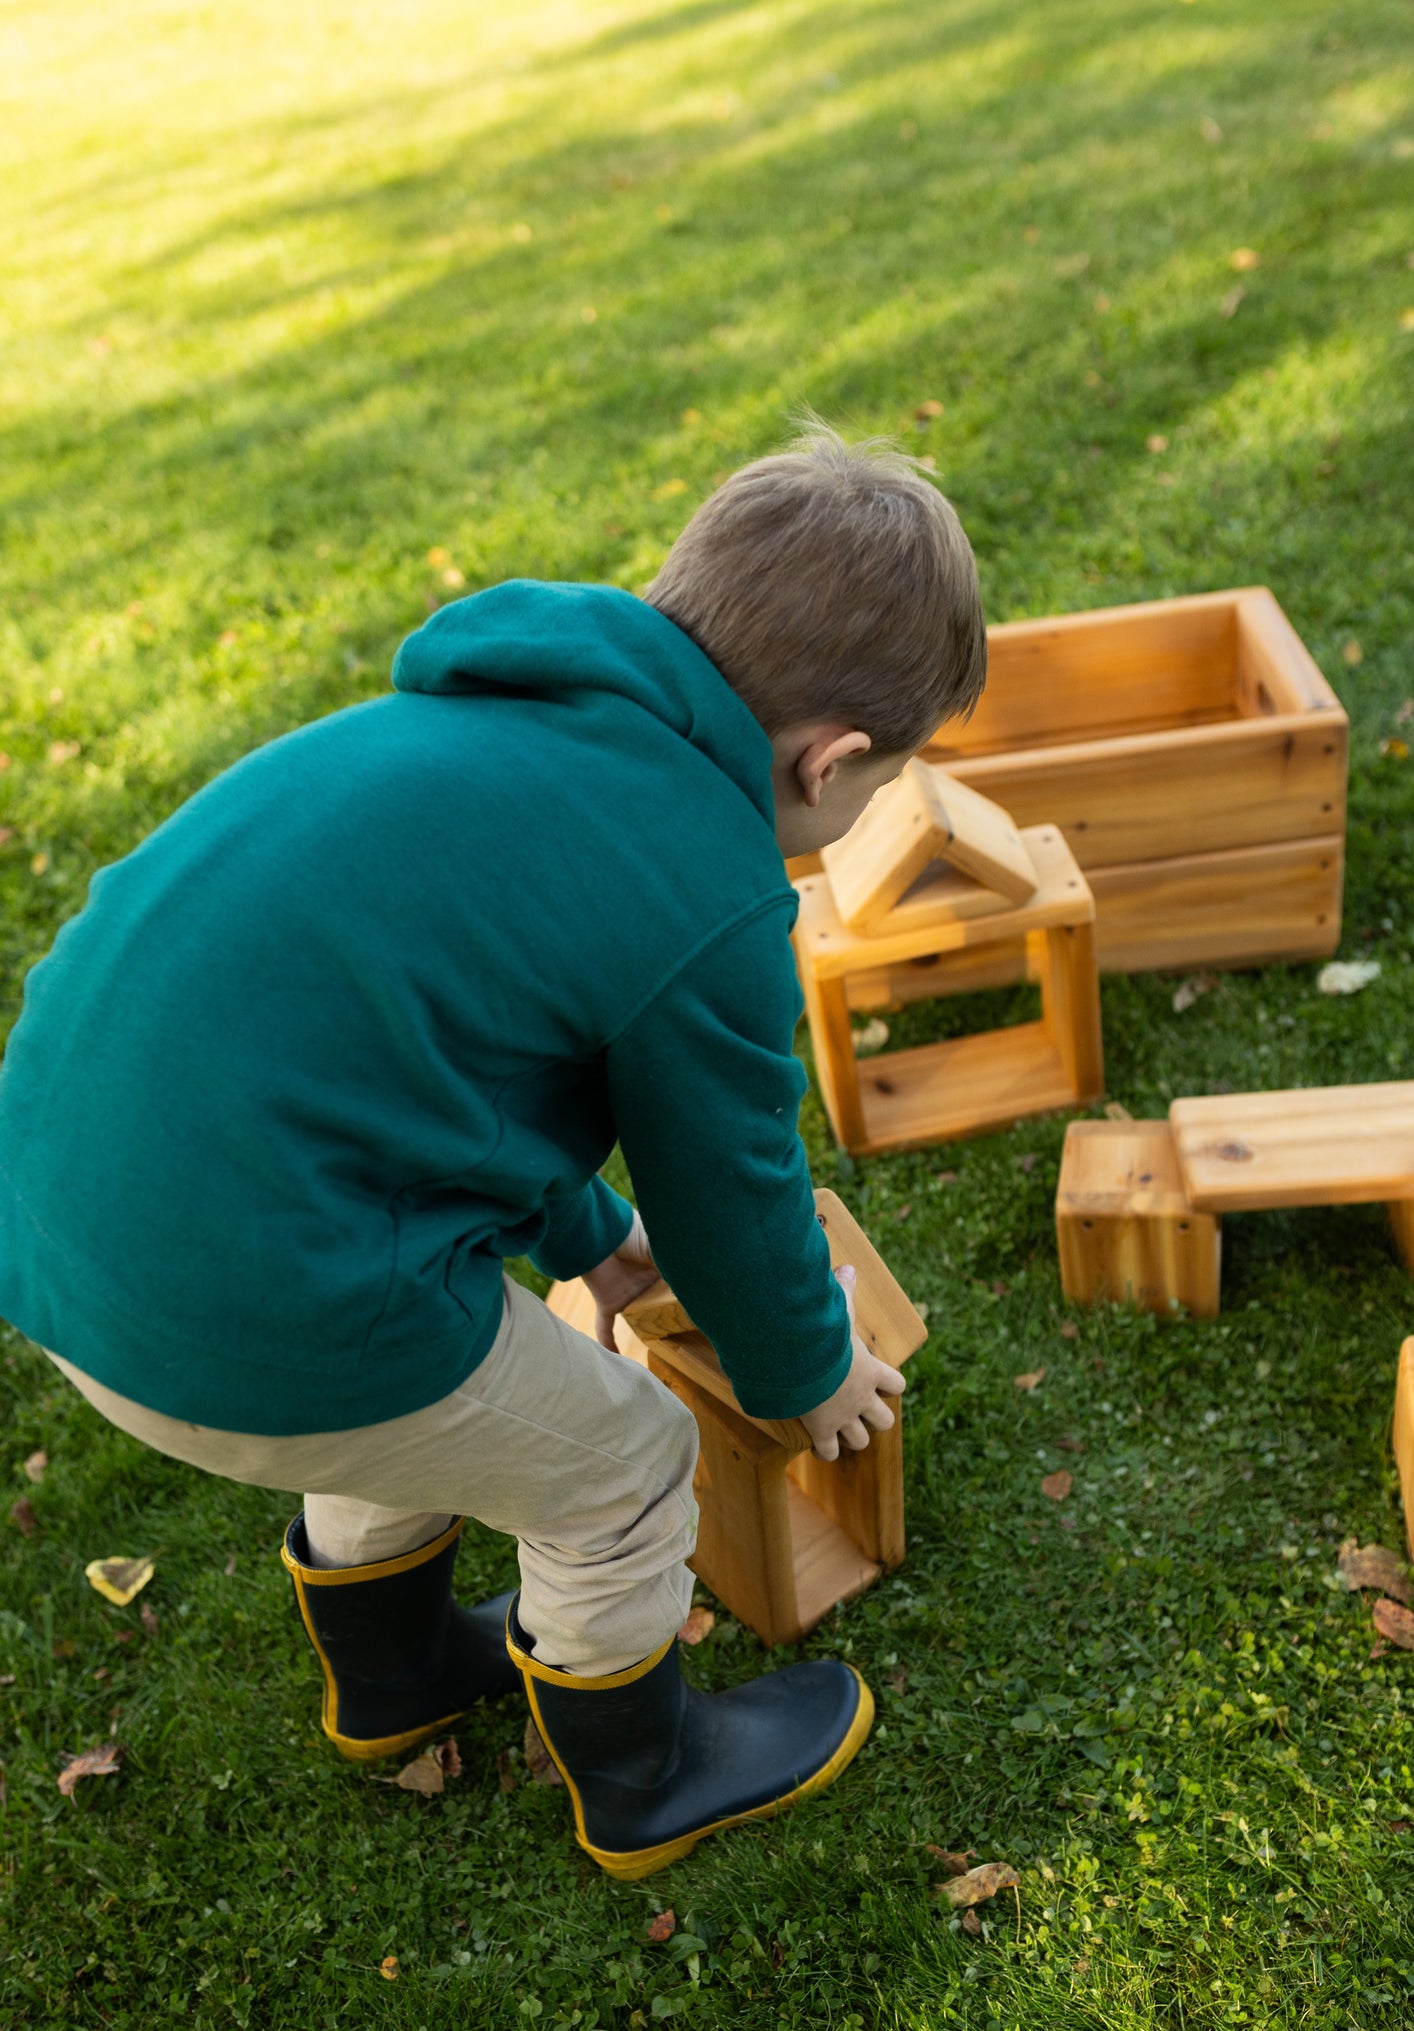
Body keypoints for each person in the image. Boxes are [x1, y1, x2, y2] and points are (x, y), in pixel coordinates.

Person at [0, 423, 986, 1879]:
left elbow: (435, 1065)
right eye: (879, 784)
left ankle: (392, 1679)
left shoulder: (501, 723)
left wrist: (590, 1235)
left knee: (446, 1375)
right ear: (829, 761)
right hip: (254, 1300)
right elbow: (733, 1190)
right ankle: (645, 1776)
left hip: (67, 1231)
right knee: (626, 1459)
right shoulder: (706, 883)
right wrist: (805, 1369)